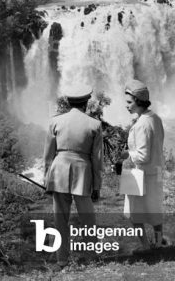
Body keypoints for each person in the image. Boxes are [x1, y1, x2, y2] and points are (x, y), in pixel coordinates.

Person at [43, 85, 103, 268]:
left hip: (58, 170)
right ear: (86, 102)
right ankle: (91, 257)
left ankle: (62, 259)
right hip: (82, 172)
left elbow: (47, 156)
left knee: (60, 217)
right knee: (88, 218)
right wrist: (97, 186)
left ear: (68, 102)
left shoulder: (55, 122)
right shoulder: (94, 124)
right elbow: (97, 159)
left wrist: (47, 181)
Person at [120, 79, 165, 250]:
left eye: (129, 102)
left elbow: (143, 156)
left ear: (138, 101)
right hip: (156, 170)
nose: (127, 105)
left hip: (139, 173)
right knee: (155, 211)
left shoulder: (142, 125)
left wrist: (127, 154)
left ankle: (145, 246)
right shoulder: (155, 118)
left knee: (134, 213)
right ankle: (159, 243)